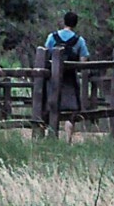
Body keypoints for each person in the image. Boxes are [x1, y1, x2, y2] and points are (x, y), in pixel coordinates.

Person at [44, 12, 90, 142]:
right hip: (70, 79)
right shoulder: (79, 40)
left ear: (64, 21)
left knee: (52, 106)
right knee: (71, 110)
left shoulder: (52, 37)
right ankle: (68, 139)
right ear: (75, 23)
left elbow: (45, 54)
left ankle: (51, 135)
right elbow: (83, 60)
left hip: (53, 78)